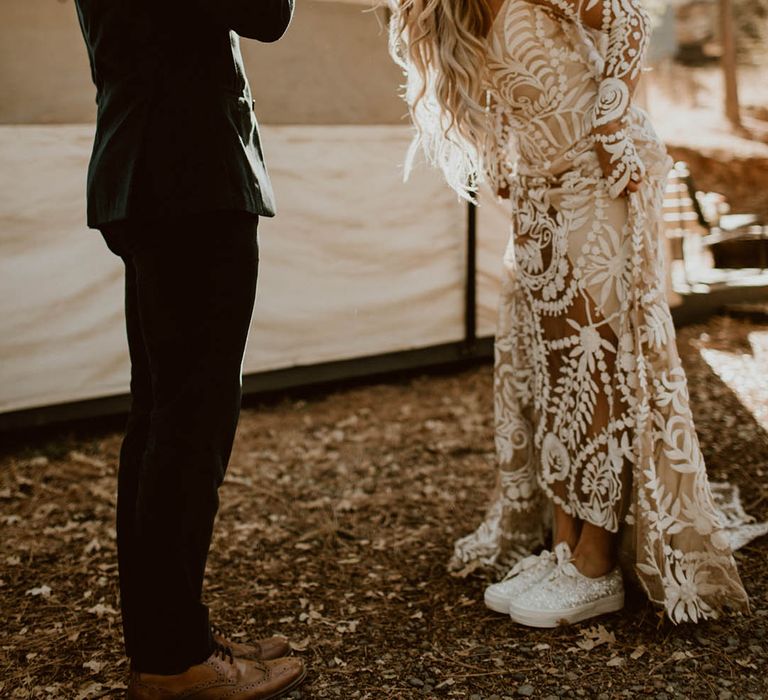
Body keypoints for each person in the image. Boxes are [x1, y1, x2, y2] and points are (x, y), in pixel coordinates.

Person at [388, 0, 750, 626]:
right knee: (553, 371)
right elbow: (505, 88)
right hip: (537, 188)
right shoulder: (453, 8)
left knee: (596, 360)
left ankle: (597, 563)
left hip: (597, 177)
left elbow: (628, 18)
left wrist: (611, 121)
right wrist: (502, 157)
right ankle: (564, 549)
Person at [73, 1, 307, 696]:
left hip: (142, 167)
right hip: (189, 175)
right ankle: (176, 661)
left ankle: (169, 641)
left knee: (158, 424)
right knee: (188, 428)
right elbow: (266, 12)